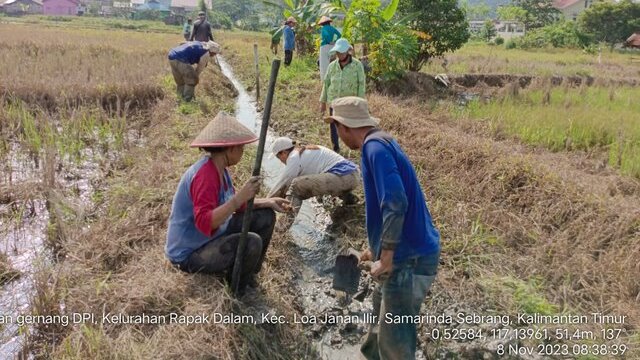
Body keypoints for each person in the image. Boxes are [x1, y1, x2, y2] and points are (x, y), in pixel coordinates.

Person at [324, 97, 441, 359]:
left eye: (336, 128)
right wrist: (374, 249)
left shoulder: (374, 150)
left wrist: (386, 257)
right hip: (404, 252)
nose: (338, 135)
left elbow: (396, 202)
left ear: (344, 127)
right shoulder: (381, 143)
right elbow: (386, 206)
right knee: (378, 319)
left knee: (395, 345)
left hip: (408, 260)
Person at [165, 112, 291, 294]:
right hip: (191, 252)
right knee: (251, 243)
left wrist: (269, 202)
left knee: (266, 216)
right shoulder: (205, 175)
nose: (242, 152)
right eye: (241, 148)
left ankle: (249, 273)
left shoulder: (221, 170)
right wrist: (240, 197)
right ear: (230, 149)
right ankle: (237, 290)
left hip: (214, 235)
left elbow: (237, 206)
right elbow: (205, 222)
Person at [268, 136, 359, 228]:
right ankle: (348, 198)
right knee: (310, 184)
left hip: (343, 177)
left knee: (296, 186)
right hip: (352, 176)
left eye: (279, 158)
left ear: (283, 153)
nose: (281, 161)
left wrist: (266, 202)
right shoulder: (303, 151)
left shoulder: (293, 157)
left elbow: (284, 182)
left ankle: (282, 227)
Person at [319, 38, 365, 153]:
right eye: (338, 52)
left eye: (341, 52)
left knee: (351, 126)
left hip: (350, 102)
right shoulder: (332, 66)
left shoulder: (357, 65)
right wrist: (323, 102)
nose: (339, 54)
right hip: (334, 102)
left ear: (347, 51)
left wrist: (359, 102)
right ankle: (336, 148)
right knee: (334, 126)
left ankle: (356, 146)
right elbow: (327, 83)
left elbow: (361, 84)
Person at [317, 16, 341, 81]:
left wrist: (328, 41)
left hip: (324, 46)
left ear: (322, 23)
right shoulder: (332, 28)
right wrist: (335, 41)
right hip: (332, 47)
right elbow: (339, 35)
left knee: (324, 64)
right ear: (329, 22)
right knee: (333, 63)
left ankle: (324, 79)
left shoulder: (323, 29)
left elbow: (326, 35)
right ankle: (334, 78)